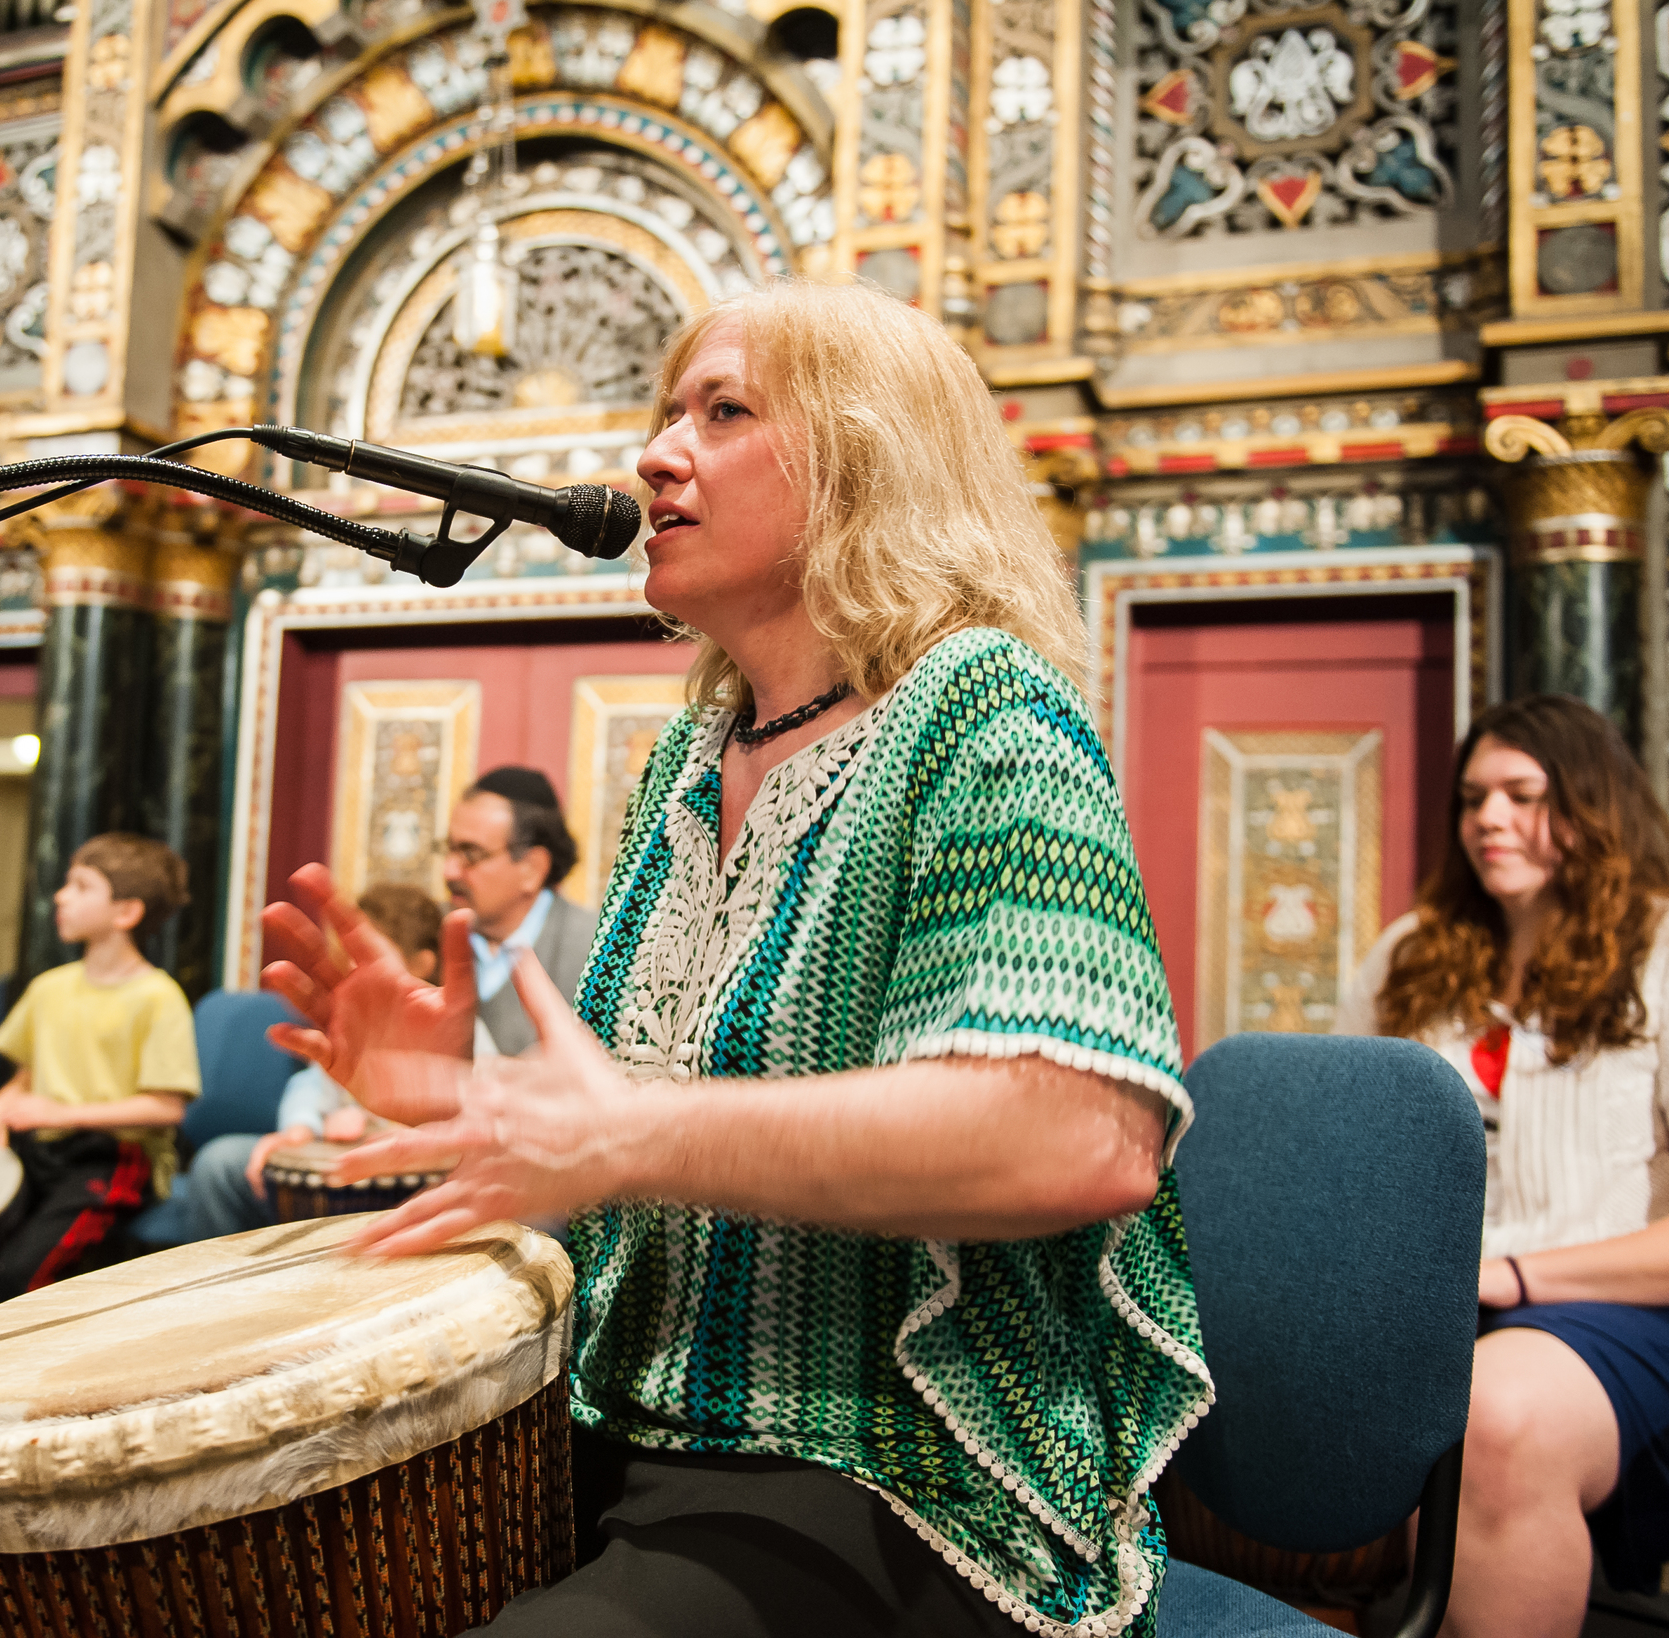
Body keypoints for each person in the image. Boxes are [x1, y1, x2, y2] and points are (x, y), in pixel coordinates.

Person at [261, 278, 1206, 1635]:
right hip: (623, 1428)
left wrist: (629, 1135)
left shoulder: (986, 716)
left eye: (723, 411)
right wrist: (469, 1099)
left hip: (898, 1474)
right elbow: (631, 1142)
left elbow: (1079, 1137)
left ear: (867, 456)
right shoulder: (685, 770)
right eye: (664, 413)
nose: (655, 453)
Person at [1336, 694, 1669, 1638]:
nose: (1489, 819)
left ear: (1596, 809)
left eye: (1525, 794)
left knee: (1497, 1420)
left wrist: (1514, 1275)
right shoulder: (1410, 956)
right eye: (1475, 798)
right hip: (1468, 1321)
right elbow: (1352, 1151)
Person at [0, 833, 198, 1359]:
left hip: (113, 1159)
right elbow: (27, 1079)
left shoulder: (157, 996)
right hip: (38, 1152)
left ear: (126, 911)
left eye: (80, 886)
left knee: (17, 1275)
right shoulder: (51, 987)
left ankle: (7, 1401)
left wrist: (62, 1112)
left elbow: (166, 1107)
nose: (60, 896)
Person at [181, 884, 444, 1242]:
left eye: (370, 954)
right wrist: (300, 1129)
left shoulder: (450, 1024)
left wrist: (382, 1128)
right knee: (220, 1163)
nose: (354, 966)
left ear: (422, 964)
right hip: (336, 1164)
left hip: (416, 1178)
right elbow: (310, 1086)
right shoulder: (352, 1022)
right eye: (349, 953)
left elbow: (474, 1114)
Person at [446, 767, 598, 1058]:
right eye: (449, 849)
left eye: (471, 854)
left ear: (532, 868)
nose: (449, 870)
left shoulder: (598, 954)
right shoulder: (426, 937)